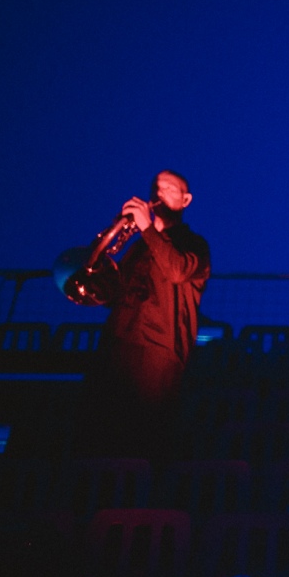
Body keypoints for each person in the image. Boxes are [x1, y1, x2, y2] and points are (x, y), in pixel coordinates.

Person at [83, 169, 210, 458]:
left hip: (158, 352)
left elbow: (177, 271)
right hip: (118, 345)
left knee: (144, 441)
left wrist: (147, 229)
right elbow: (114, 296)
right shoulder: (139, 245)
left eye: (169, 188)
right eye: (156, 188)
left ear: (186, 200)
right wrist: (96, 269)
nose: (159, 193)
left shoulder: (195, 244)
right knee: (101, 439)